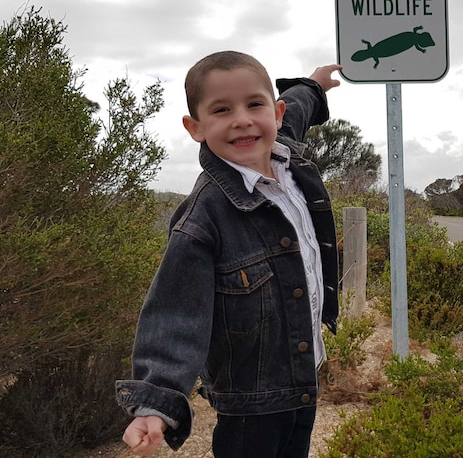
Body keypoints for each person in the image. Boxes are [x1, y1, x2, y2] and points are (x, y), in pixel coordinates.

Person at [116, 51, 343, 457]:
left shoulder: (286, 153)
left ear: (276, 112)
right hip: (250, 403)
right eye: (221, 110)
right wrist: (156, 403)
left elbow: (300, 108)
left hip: (304, 375)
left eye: (254, 104)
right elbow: (175, 314)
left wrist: (315, 83)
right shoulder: (203, 216)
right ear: (195, 128)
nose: (242, 119)